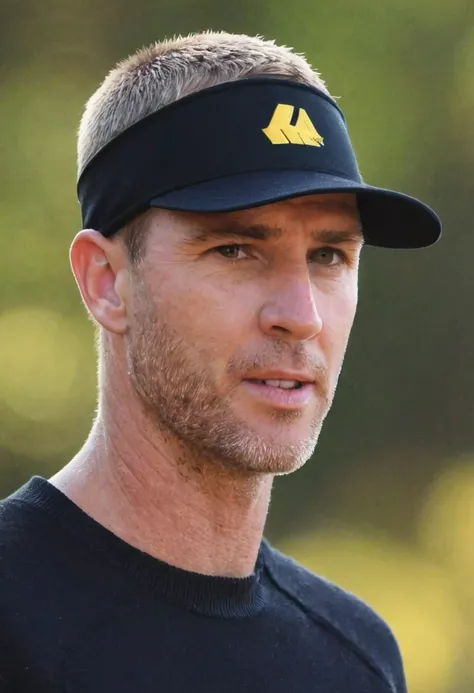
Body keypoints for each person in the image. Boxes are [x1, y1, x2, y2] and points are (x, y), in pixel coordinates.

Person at [0, 31, 441, 693]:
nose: (301, 315)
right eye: (236, 249)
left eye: (329, 256)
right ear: (106, 281)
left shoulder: (358, 658)